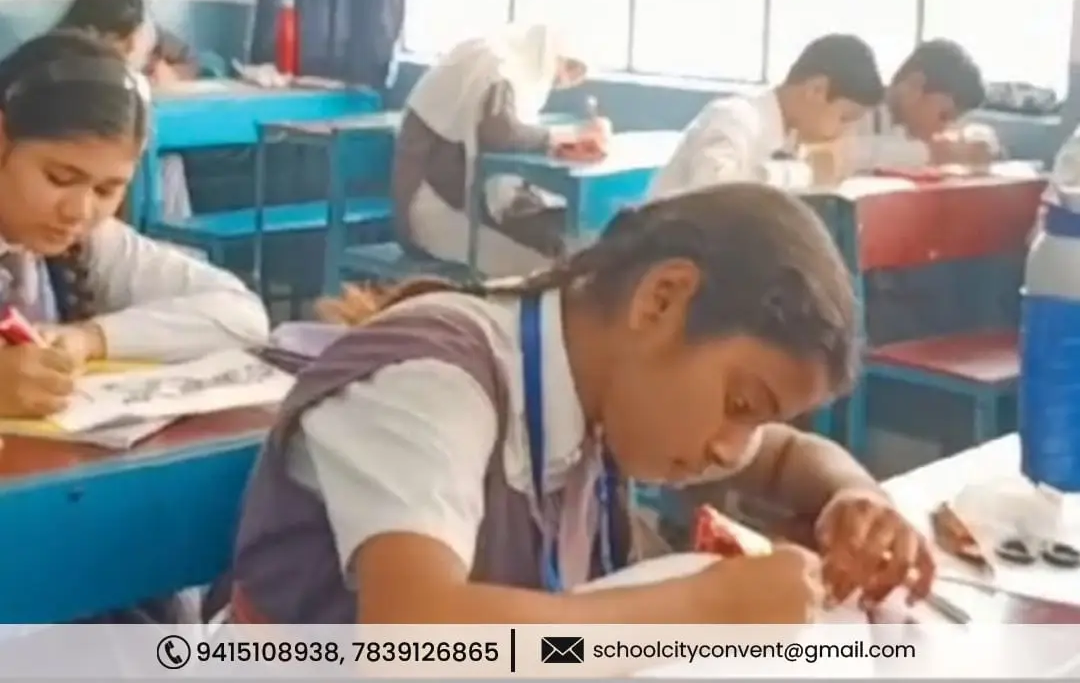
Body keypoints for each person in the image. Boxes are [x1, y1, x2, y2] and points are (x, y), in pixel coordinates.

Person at [229, 183, 934, 624]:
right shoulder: (436, 384)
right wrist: (702, 610)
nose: (732, 445)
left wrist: (855, 498)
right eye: (741, 402)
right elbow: (417, 640)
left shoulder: (604, 374)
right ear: (662, 299)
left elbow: (783, 459)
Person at [0, 30, 269, 421]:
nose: (79, 211)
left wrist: (91, 339)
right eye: (60, 178)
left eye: (107, 189)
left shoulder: (89, 242)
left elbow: (242, 317)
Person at [393, 24, 609, 277]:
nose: (562, 79)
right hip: (430, 206)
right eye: (565, 67)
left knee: (563, 251)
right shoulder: (497, 68)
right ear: (547, 54)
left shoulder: (504, 65)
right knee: (545, 265)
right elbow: (499, 133)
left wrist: (563, 140)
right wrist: (563, 137)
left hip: (456, 195)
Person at [649, 34, 885, 199]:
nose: (844, 132)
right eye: (844, 118)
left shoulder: (790, 141)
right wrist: (804, 174)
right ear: (816, 90)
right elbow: (712, 195)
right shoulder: (735, 118)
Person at [57, 0, 196, 219]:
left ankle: (167, 236)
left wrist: (168, 71)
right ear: (90, 31)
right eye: (118, 37)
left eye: (133, 34)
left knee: (169, 162)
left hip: (121, 150)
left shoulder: (146, 37)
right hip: (84, 155)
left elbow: (191, 60)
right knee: (159, 165)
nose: (131, 45)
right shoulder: (59, 60)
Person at [839, 40, 993, 172]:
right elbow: (842, 154)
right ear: (914, 85)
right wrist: (929, 153)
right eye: (943, 116)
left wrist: (980, 143)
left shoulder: (902, 127)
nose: (942, 129)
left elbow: (977, 134)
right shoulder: (852, 107)